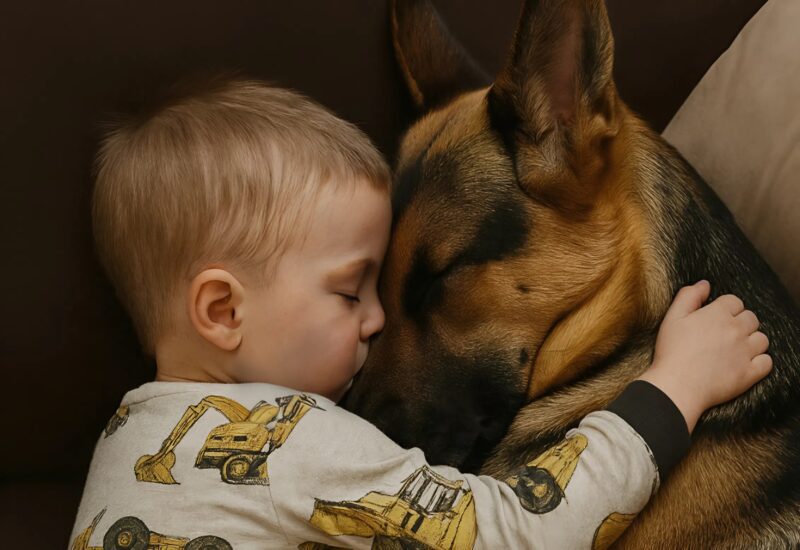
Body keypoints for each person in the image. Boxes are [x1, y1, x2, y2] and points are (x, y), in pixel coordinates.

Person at [70, 78, 772, 550]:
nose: (377, 322)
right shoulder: (294, 442)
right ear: (223, 310)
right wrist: (670, 391)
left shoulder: (124, 442)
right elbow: (518, 533)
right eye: (351, 292)